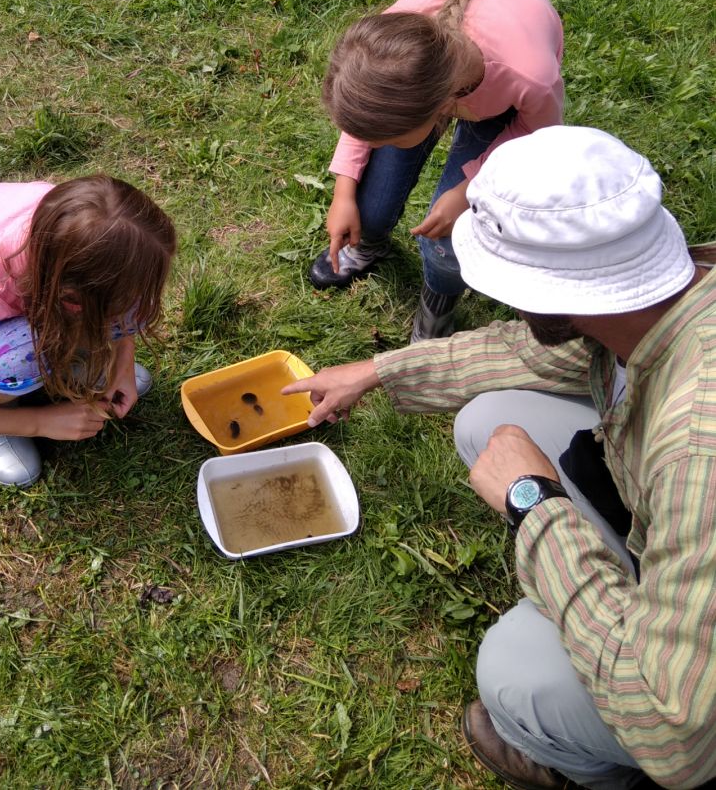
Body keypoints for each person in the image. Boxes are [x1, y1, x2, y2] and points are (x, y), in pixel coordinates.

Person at [284, 126, 716, 790]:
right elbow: (528, 353)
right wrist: (377, 371)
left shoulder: (696, 447)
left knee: (515, 670)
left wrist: (535, 505)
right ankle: (626, 583)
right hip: (678, 535)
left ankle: (593, 771)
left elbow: (677, 734)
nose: (504, 300)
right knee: (488, 421)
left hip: (690, 723)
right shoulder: (664, 302)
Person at [308, 0, 565, 342]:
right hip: (443, 84)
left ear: (441, 110)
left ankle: (437, 306)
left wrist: (468, 190)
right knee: (369, 207)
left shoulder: (530, 78)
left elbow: (538, 138)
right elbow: (365, 113)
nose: (372, 145)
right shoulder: (387, 46)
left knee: (448, 238)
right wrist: (344, 192)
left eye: (385, 139)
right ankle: (370, 244)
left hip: (505, 96)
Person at [0, 175, 176, 489]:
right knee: (22, 352)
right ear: (70, 297)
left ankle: (60, 365)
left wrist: (122, 363)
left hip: (40, 290)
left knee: (131, 302)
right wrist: (39, 422)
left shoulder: (79, 224)